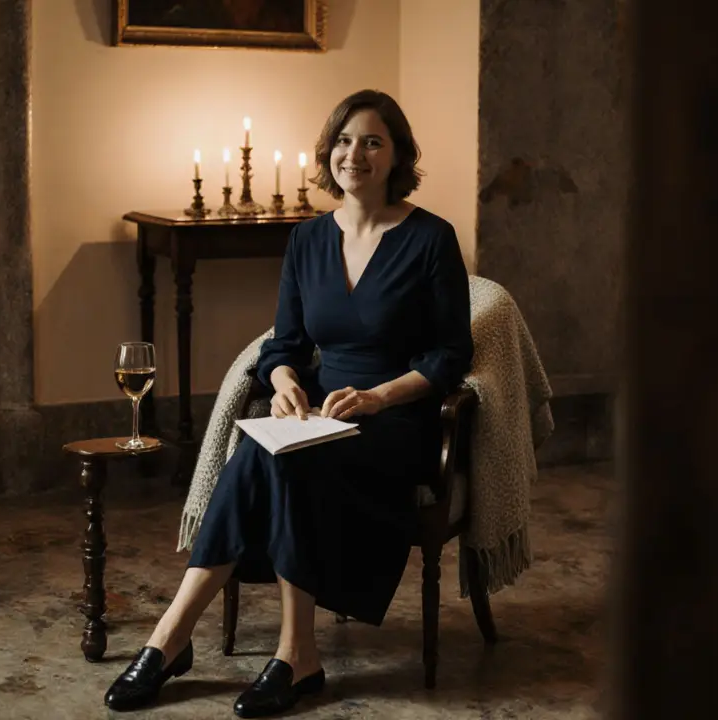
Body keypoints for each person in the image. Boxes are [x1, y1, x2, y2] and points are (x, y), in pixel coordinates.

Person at [103, 89, 474, 717]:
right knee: (266, 452)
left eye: (373, 141)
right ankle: (275, 650)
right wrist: (284, 386)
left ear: (397, 155)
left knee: (275, 461)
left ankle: (180, 641)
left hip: (392, 425)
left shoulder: (431, 238)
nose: (355, 153)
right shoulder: (306, 240)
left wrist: (379, 398)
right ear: (329, 151)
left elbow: (449, 356)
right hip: (319, 419)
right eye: (345, 140)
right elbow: (284, 345)